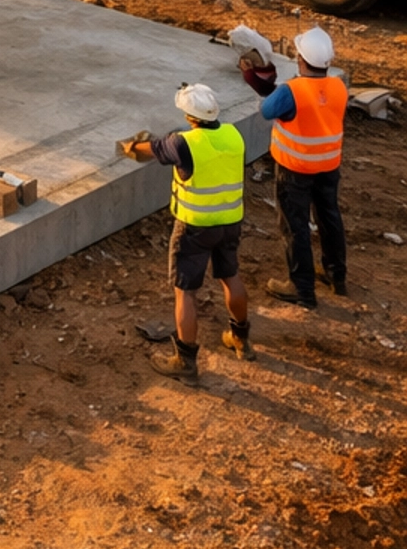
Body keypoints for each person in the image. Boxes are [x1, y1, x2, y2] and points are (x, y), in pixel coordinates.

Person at [128, 80, 251, 380]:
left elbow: (150, 150)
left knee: (185, 292)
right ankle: (241, 340)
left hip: (195, 227)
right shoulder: (233, 134)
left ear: (188, 116)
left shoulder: (184, 143)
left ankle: (185, 360)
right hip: (230, 222)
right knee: (230, 277)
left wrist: (129, 147)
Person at [235, 23, 349, 308]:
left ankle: (302, 288)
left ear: (300, 59)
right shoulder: (338, 86)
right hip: (329, 166)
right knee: (329, 217)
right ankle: (336, 275)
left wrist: (252, 73)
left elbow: (267, 109)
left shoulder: (292, 91)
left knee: (294, 226)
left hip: (295, 169)